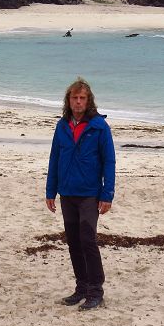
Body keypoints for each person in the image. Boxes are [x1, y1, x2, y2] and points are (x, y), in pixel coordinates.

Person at [45, 77, 115, 311]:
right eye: (74, 98)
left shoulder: (99, 127)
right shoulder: (62, 126)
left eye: (82, 98)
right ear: (68, 100)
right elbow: (54, 159)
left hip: (89, 193)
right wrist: (50, 191)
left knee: (88, 239)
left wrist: (107, 194)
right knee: (73, 242)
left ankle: (96, 291)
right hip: (67, 192)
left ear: (88, 100)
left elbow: (109, 162)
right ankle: (81, 288)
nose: (78, 102)